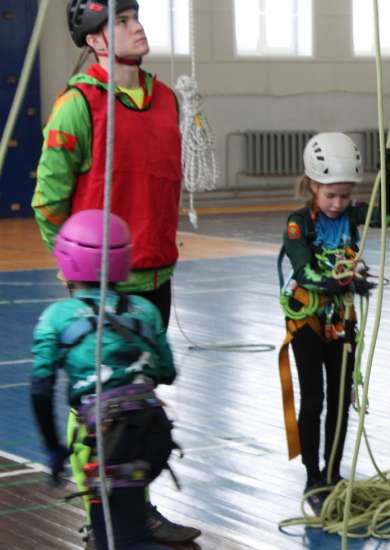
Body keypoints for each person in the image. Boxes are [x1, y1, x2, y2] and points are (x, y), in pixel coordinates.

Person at [31, 1, 199, 544]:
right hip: (103, 286)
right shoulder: (78, 105)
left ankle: (138, 507)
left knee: (141, 404)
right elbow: (48, 200)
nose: (137, 26)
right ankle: (98, 516)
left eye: (135, 16)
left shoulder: (167, 99)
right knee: (97, 409)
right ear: (97, 40)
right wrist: (76, 270)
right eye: (122, 21)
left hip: (156, 277)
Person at [31, 210, 177, 550]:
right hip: (156, 435)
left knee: (115, 539)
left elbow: (41, 390)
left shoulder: (57, 316)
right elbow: (166, 371)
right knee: (121, 527)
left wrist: (54, 451)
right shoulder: (145, 310)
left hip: (113, 441)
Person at [279, 132, 390, 511]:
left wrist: (387, 176)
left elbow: (387, 216)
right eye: (330, 195)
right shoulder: (299, 223)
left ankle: (332, 473)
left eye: (345, 195)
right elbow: (303, 269)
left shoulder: (352, 214)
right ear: (312, 185)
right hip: (308, 321)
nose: (338, 203)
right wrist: (340, 281)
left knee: (342, 398)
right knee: (314, 399)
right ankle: (313, 475)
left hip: (342, 320)